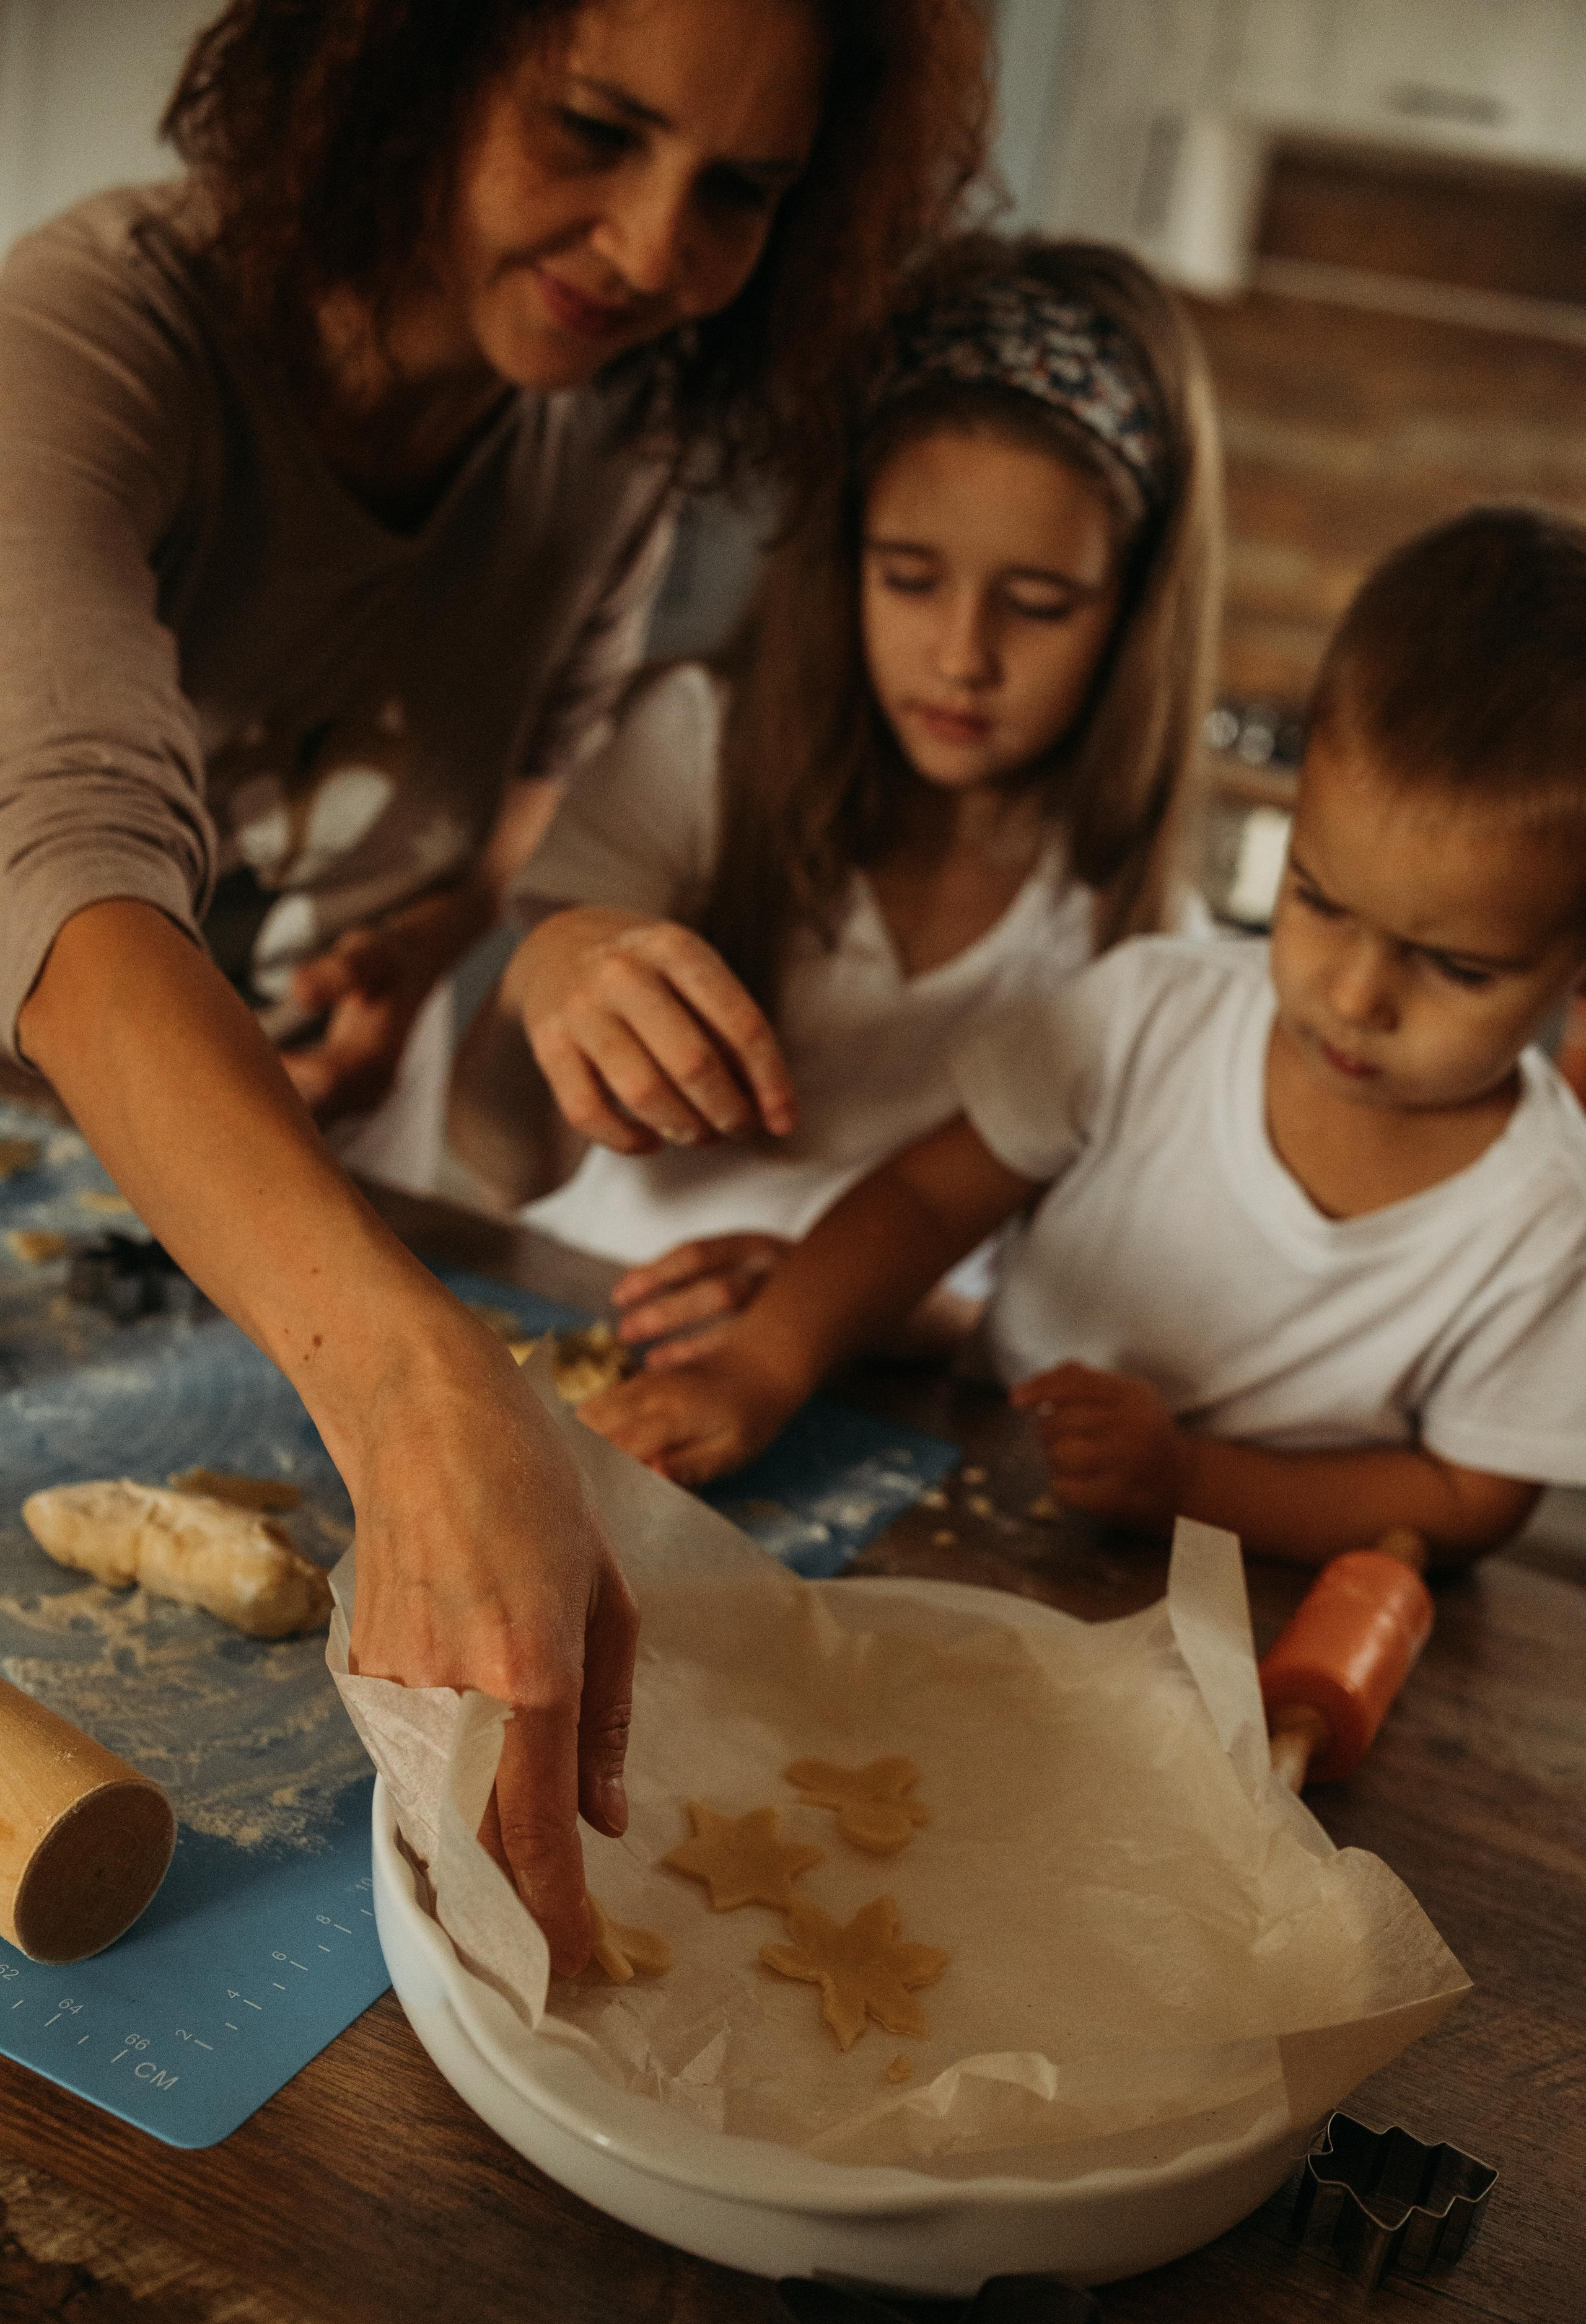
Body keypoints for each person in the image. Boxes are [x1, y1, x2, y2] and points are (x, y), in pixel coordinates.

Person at [0, 0, 989, 1972]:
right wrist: (403, 1385)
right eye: (591, 130)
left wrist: (438, 943)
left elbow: (512, 798)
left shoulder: (613, 410)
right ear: (398, 59)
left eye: (741, 192)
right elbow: (73, 871)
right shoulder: (82, 350)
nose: (653, 248)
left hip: (193, 1176)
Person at [579, 508, 1586, 1568]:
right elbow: (925, 1199)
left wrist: (1192, 1484)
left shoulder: (1550, 1217)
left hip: (1257, 1598)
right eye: (1320, 900)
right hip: (955, 1495)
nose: (1357, 994)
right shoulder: (1152, 1012)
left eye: (1457, 968)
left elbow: (1468, 1497)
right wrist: (759, 1368)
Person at [446, 233, 1222, 1359]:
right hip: (585, 1320)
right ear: (843, 555)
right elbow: (501, 1159)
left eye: (1039, 603)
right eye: (908, 578)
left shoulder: (1139, 934)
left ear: (1136, 612)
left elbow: (1069, 1331)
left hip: (874, 1390)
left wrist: (847, 1305)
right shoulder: (699, 751)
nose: (961, 655)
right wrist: (542, 977)